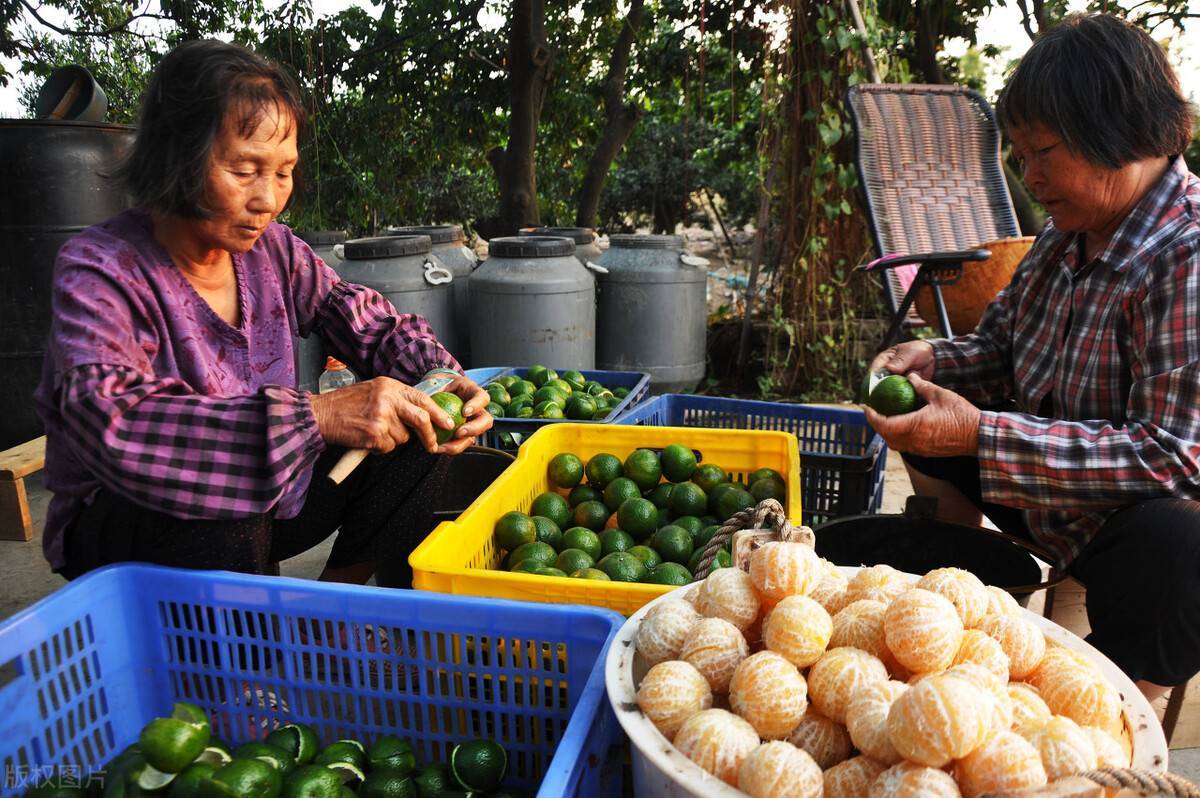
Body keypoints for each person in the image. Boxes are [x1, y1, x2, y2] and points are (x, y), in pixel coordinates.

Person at [35, 39, 493, 585]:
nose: (269, 199)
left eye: (284, 172)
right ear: (175, 156)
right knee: (223, 494)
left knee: (419, 428)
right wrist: (317, 415)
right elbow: (115, 422)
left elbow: (357, 315)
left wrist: (441, 379)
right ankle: (249, 653)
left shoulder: (272, 251)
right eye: (245, 169)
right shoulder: (102, 270)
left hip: (271, 504)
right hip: (136, 524)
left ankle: (336, 611)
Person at [864, 13, 1200, 699]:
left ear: (1121, 134)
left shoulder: (1187, 256)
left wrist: (982, 433)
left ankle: (1105, 710)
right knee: (930, 418)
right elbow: (999, 348)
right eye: (1021, 155)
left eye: (1042, 152)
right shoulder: (1066, 232)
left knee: (1181, 549)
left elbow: (1170, 458)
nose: (1029, 175)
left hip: (1140, 526)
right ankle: (968, 605)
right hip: (1058, 498)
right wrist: (931, 359)